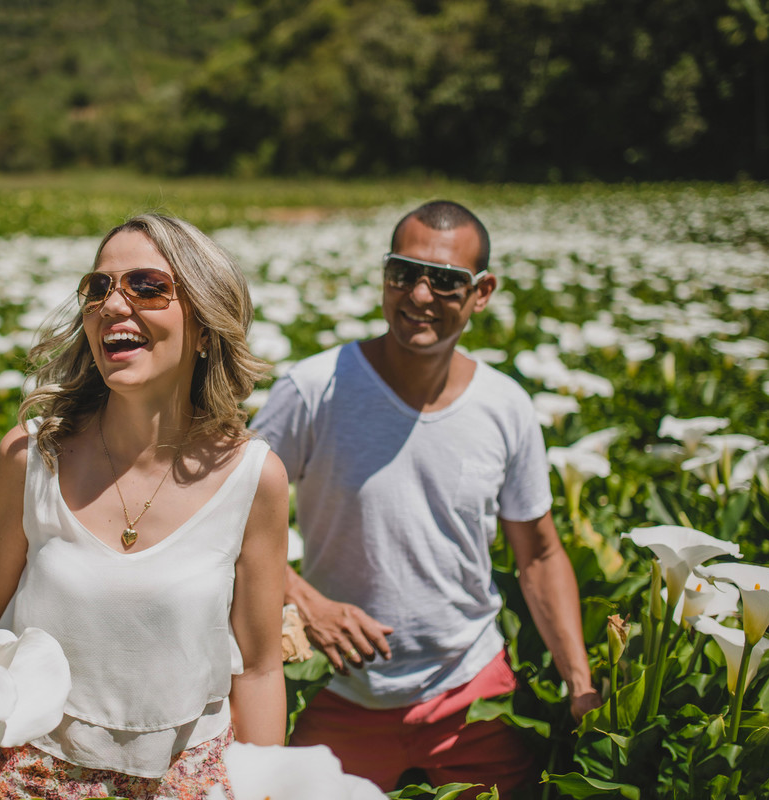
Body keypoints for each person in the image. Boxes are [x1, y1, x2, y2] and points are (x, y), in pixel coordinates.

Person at [251, 200, 602, 795]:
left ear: (482, 291)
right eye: (402, 272)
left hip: (473, 694)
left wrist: (580, 683)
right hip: (335, 690)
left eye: (444, 280)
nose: (418, 294)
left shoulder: (506, 406)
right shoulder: (313, 390)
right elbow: (223, 518)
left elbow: (539, 555)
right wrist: (306, 601)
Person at [0, 214, 289, 800]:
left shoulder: (255, 479)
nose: (114, 305)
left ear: (204, 326)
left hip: (191, 783)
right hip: (34, 779)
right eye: (98, 288)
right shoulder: (30, 458)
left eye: (147, 286)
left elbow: (263, 668)